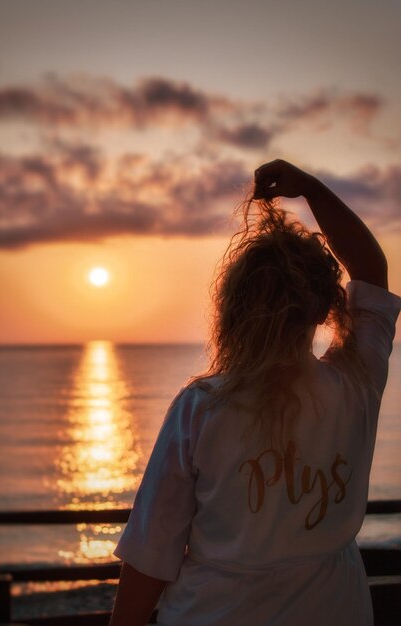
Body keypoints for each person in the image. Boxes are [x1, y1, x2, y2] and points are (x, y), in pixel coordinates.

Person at [110, 159, 400, 626]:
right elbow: (370, 268)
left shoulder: (202, 408)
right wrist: (311, 190)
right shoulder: (356, 386)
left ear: (235, 308)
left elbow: (151, 553)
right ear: (325, 307)